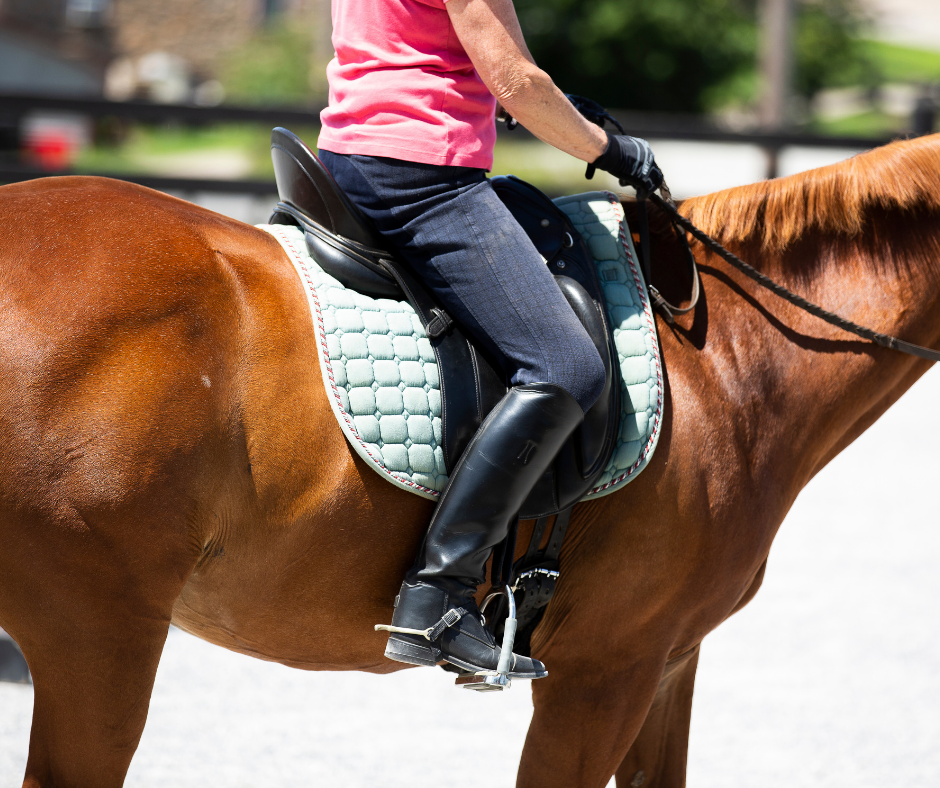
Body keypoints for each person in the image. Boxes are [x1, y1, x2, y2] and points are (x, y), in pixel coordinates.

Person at [317, 0, 664, 680]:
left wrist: (490, 92)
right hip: (422, 172)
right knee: (566, 368)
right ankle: (437, 598)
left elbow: (420, 46)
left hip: (354, 147)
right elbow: (515, 78)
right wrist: (612, 149)